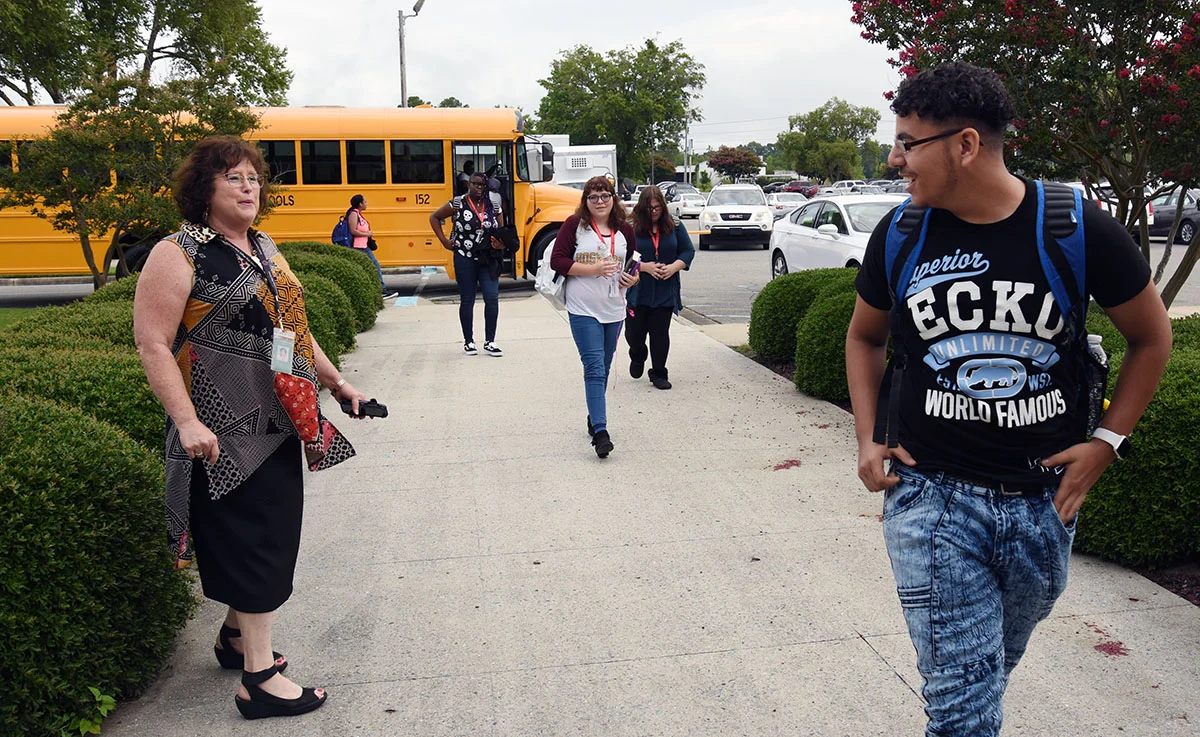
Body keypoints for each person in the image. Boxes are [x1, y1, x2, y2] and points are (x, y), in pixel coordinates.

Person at [845, 62, 1172, 736]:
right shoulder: (903, 235)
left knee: (984, 674)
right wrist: (868, 436)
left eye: (909, 142)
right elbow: (862, 336)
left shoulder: (1073, 227)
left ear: (965, 145)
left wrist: (1107, 444)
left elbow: (1151, 337)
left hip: (1044, 507)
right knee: (964, 707)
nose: (894, 158)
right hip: (932, 499)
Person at [133, 136, 375, 720]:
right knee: (258, 542)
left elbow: (294, 329)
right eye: (234, 178)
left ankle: (236, 638)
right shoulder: (179, 251)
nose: (249, 188)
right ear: (204, 190)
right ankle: (259, 681)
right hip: (223, 431)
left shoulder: (264, 246)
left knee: (264, 534)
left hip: (280, 418)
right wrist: (185, 420)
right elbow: (153, 343)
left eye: (253, 178)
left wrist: (340, 386)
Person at [550, 175, 639, 457]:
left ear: (613, 199)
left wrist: (632, 279)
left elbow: (634, 260)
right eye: (593, 197)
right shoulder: (574, 226)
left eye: (605, 196)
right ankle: (601, 431)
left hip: (614, 308)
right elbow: (558, 260)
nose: (600, 201)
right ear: (585, 201)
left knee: (605, 363)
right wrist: (593, 270)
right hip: (582, 307)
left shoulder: (624, 229)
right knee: (594, 368)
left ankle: (593, 412)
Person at [625, 185, 695, 390]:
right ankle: (638, 356)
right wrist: (643, 267)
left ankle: (659, 373)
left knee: (660, 333)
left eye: (657, 208)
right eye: (649, 208)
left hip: (665, 289)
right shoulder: (631, 227)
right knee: (634, 333)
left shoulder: (674, 225)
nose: (653, 212)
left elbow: (688, 251)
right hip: (638, 289)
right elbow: (621, 256)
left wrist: (674, 267)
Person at [429, 171, 506, 356]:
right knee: (467, 299)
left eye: (482, 185)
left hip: (488, 258)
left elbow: (501, 229)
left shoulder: (494, 204)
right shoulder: (457, 203)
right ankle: (469, 341)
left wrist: (500, 242)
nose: (478, 188)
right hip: (464, 257)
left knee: (491, 297)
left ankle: (490, 341)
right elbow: (434, 218)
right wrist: (444, 242)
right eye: (475, 184)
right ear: (468, 184)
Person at [346, 194, 398, 299]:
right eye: (365, 202)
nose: (366, 204)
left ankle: (375, 290)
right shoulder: (353, 214)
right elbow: (353, 231)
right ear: (360, 204)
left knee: (369, 268)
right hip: (359, 247)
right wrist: (367, 234)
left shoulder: (358, 214)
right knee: (375, 266)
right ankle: (381, 290)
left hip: (364, 246)